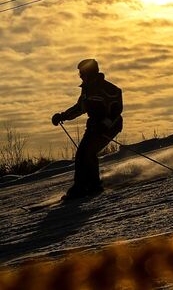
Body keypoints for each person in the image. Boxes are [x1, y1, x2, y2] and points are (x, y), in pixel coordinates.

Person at [51, 59, 123, 200]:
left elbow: (116, 110)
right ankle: (86, 185)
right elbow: (79, 108)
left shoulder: (107, 89)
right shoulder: (87, 91)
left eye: (82, 73)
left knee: (88, 152)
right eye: (80, 73)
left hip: (109, 126)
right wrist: (62, 116)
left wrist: (105, 124)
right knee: (82, 154)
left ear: (89, 73)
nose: (80, 76)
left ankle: (89, 185)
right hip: (94, 127)